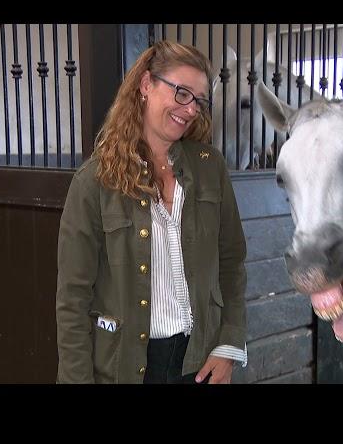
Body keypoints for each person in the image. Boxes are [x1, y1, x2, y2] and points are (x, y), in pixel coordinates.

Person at [56, 40, 247, 384]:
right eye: (181, 93)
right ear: (146, 85)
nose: (191, 110)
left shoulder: (210, 168)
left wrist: (229, 346)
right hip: (125, 368)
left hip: (200, 363)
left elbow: (231, 262)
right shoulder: (94, 182)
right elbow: (73, 299)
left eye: (199, 100)